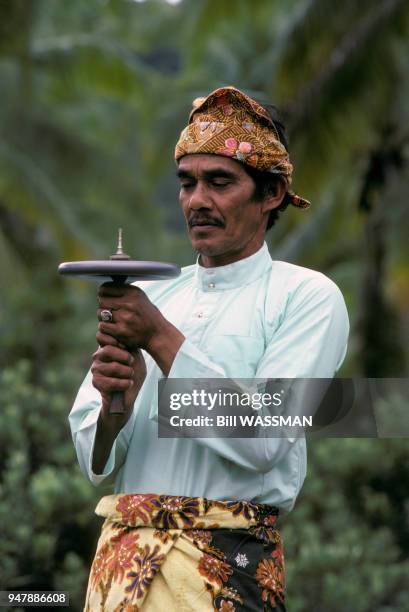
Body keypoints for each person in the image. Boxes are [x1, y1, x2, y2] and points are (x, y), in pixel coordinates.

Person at [69, 86, 349, 611]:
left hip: (227, 574)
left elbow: (265, 439)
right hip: (122, 572)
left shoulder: (306, 297)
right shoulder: (151, 294)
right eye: (187, 183)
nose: (197, 200)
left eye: (219, 182)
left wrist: (158, 337)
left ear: (271, 195)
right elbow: (94, 461)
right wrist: (113, 411)